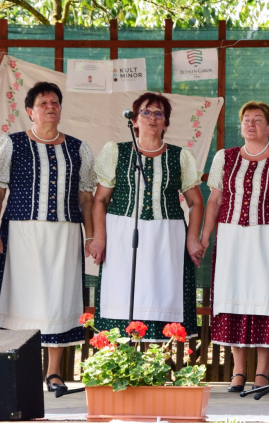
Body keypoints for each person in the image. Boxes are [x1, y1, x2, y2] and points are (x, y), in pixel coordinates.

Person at [0, 82, 96, 393]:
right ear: (29, 111)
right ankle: (20, 372)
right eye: (43, 103)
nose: (51, 107)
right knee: (19, 297)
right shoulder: (12, 144)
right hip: (22, 231)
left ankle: (53, 373)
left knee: (59, 299)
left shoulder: (79, 148)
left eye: (55, 102)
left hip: (64, 233)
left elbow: (86, 197)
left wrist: (91, 236)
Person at [201, 101, 269, 393]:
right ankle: (237, 371)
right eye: (246, 119)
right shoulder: (226, 157)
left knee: (265, 297)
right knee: (234, 296)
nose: (251, 124)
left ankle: (261, 372)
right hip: (232, 237)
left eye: (258, 120)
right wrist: (205, 236)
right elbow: (216, 200)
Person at [87, 92, 203, 343]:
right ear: (135, 121)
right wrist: (99, 238)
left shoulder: (180, 156)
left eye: (159, 113)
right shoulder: (116, 151)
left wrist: (192, 239)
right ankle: (120, 367)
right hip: (121, 233)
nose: (152, 117)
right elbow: (100, 200)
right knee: (122, 292)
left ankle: (157, 366)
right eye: (146, 112)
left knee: (162, 293)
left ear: (166, 122)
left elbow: (195, 202)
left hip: (167, 236)